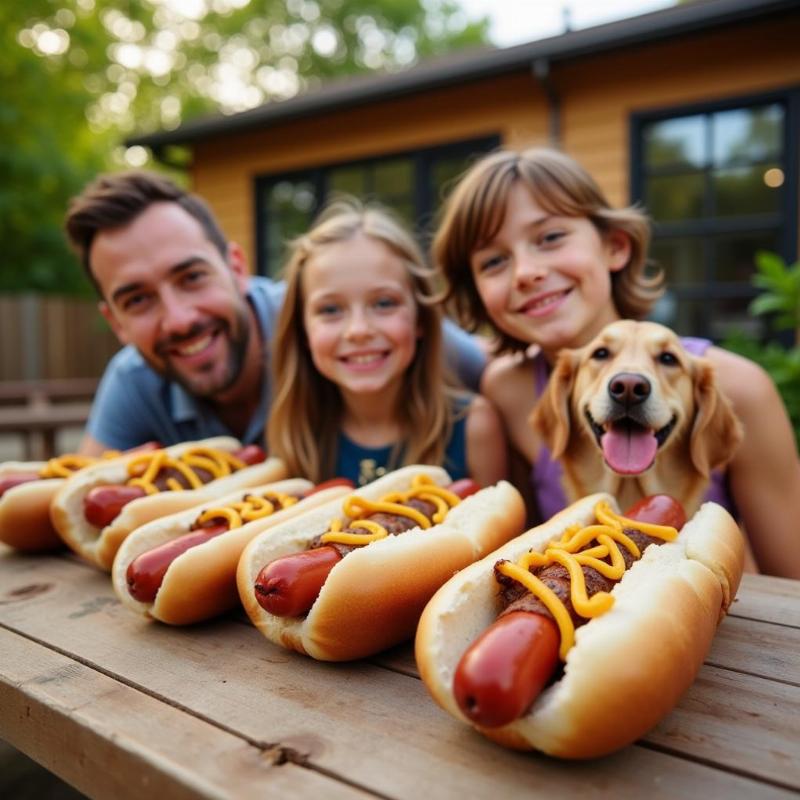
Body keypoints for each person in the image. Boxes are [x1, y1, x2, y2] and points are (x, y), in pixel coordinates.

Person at [432, 146, 800, 579]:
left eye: (550, 237)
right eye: (493, 261)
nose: (525, 272)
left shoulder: (741, 388)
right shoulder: (506, 390)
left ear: (615, 247)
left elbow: (790, 583)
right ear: (478, 291)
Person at [63, 171, 487, 455]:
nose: (179, 319)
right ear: (115, 322)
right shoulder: (132, 379)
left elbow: (494, 370)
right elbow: (79, 500)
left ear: (237, 268)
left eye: (191, 277)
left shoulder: (326, 313)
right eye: (137, 300)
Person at [267, 198, 507, 487]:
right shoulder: (293, 435)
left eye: (383, 303)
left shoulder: (474, 427)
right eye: (330, 310)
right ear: (302, 331)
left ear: (420, 318)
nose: (358, 330)